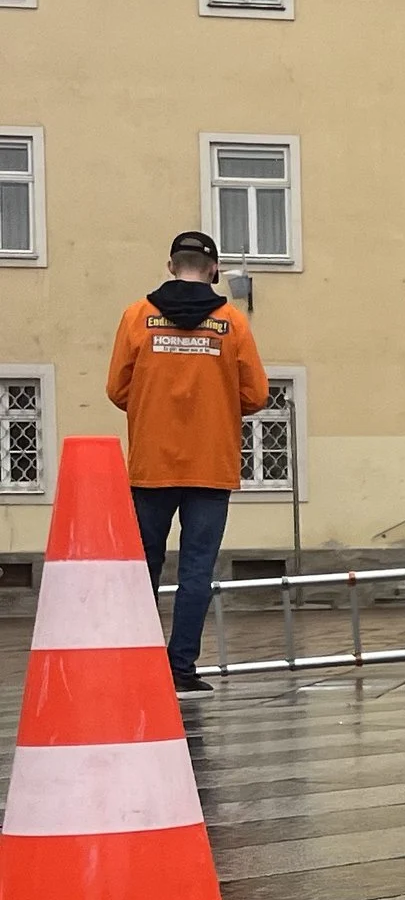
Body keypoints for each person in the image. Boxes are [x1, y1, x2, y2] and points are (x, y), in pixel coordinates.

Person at [107, 232, 269, 694]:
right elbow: (256, 394)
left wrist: (151, 403)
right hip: (210, 466)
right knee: (197, 571)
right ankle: (181, 670)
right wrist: (216, 401)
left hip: (151, 465)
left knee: (144, 569)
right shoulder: (232, 323)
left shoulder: (137, 316)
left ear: (170, 265)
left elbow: (117, 389)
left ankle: (138, 663)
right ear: (213, 269)